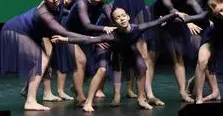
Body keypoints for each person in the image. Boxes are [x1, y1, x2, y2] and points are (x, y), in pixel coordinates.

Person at [0, 0, 106, 111]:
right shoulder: (44, 13)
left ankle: (29, 90)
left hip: (34, 32)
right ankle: (30, 101)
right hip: (16, 30)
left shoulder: (63, 0)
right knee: (41, 59)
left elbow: (80, 3)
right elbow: (65, 33)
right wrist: (94, 38)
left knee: (46, 58)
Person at [51, 7, 180, 111]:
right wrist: (65, 39)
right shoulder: (111, 36)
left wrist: (176, 13)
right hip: (112, 49)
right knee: (102, 70)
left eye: (123, 15)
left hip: (128, 48)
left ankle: (141, 98)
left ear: (128, 17)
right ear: (114, 23)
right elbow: (87, 40)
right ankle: (88, 102)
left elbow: (156, 22)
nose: (121, 19)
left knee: (142, 66)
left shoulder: (137, 28)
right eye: (117, 18)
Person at [148, 0, 206, 103]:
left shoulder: (189, 0)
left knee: (178, 57)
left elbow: (202, 14)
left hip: (172, 24)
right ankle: (149, 94)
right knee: (152, 58)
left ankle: (183, 92)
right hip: (154, 22)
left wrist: (211, 18)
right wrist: (185, 19)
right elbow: (170, 8)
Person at [60, 0, 116, 106]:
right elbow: (87, 25)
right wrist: (103, 30)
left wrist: (123, 24)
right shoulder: (81, 4)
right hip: (69, 35)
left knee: (91, 67)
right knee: (81, 61)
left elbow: (112, 19)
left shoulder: (104, 5)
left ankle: (75, 88)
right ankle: (80, 98)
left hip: (85, 37)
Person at [185, 0, 221, 101]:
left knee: (207, 61)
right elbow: (184, 12)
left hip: (210, 33)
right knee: (202, 59)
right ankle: (211, 90)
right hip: (195, 30)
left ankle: (193, 84)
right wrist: (188, 23)